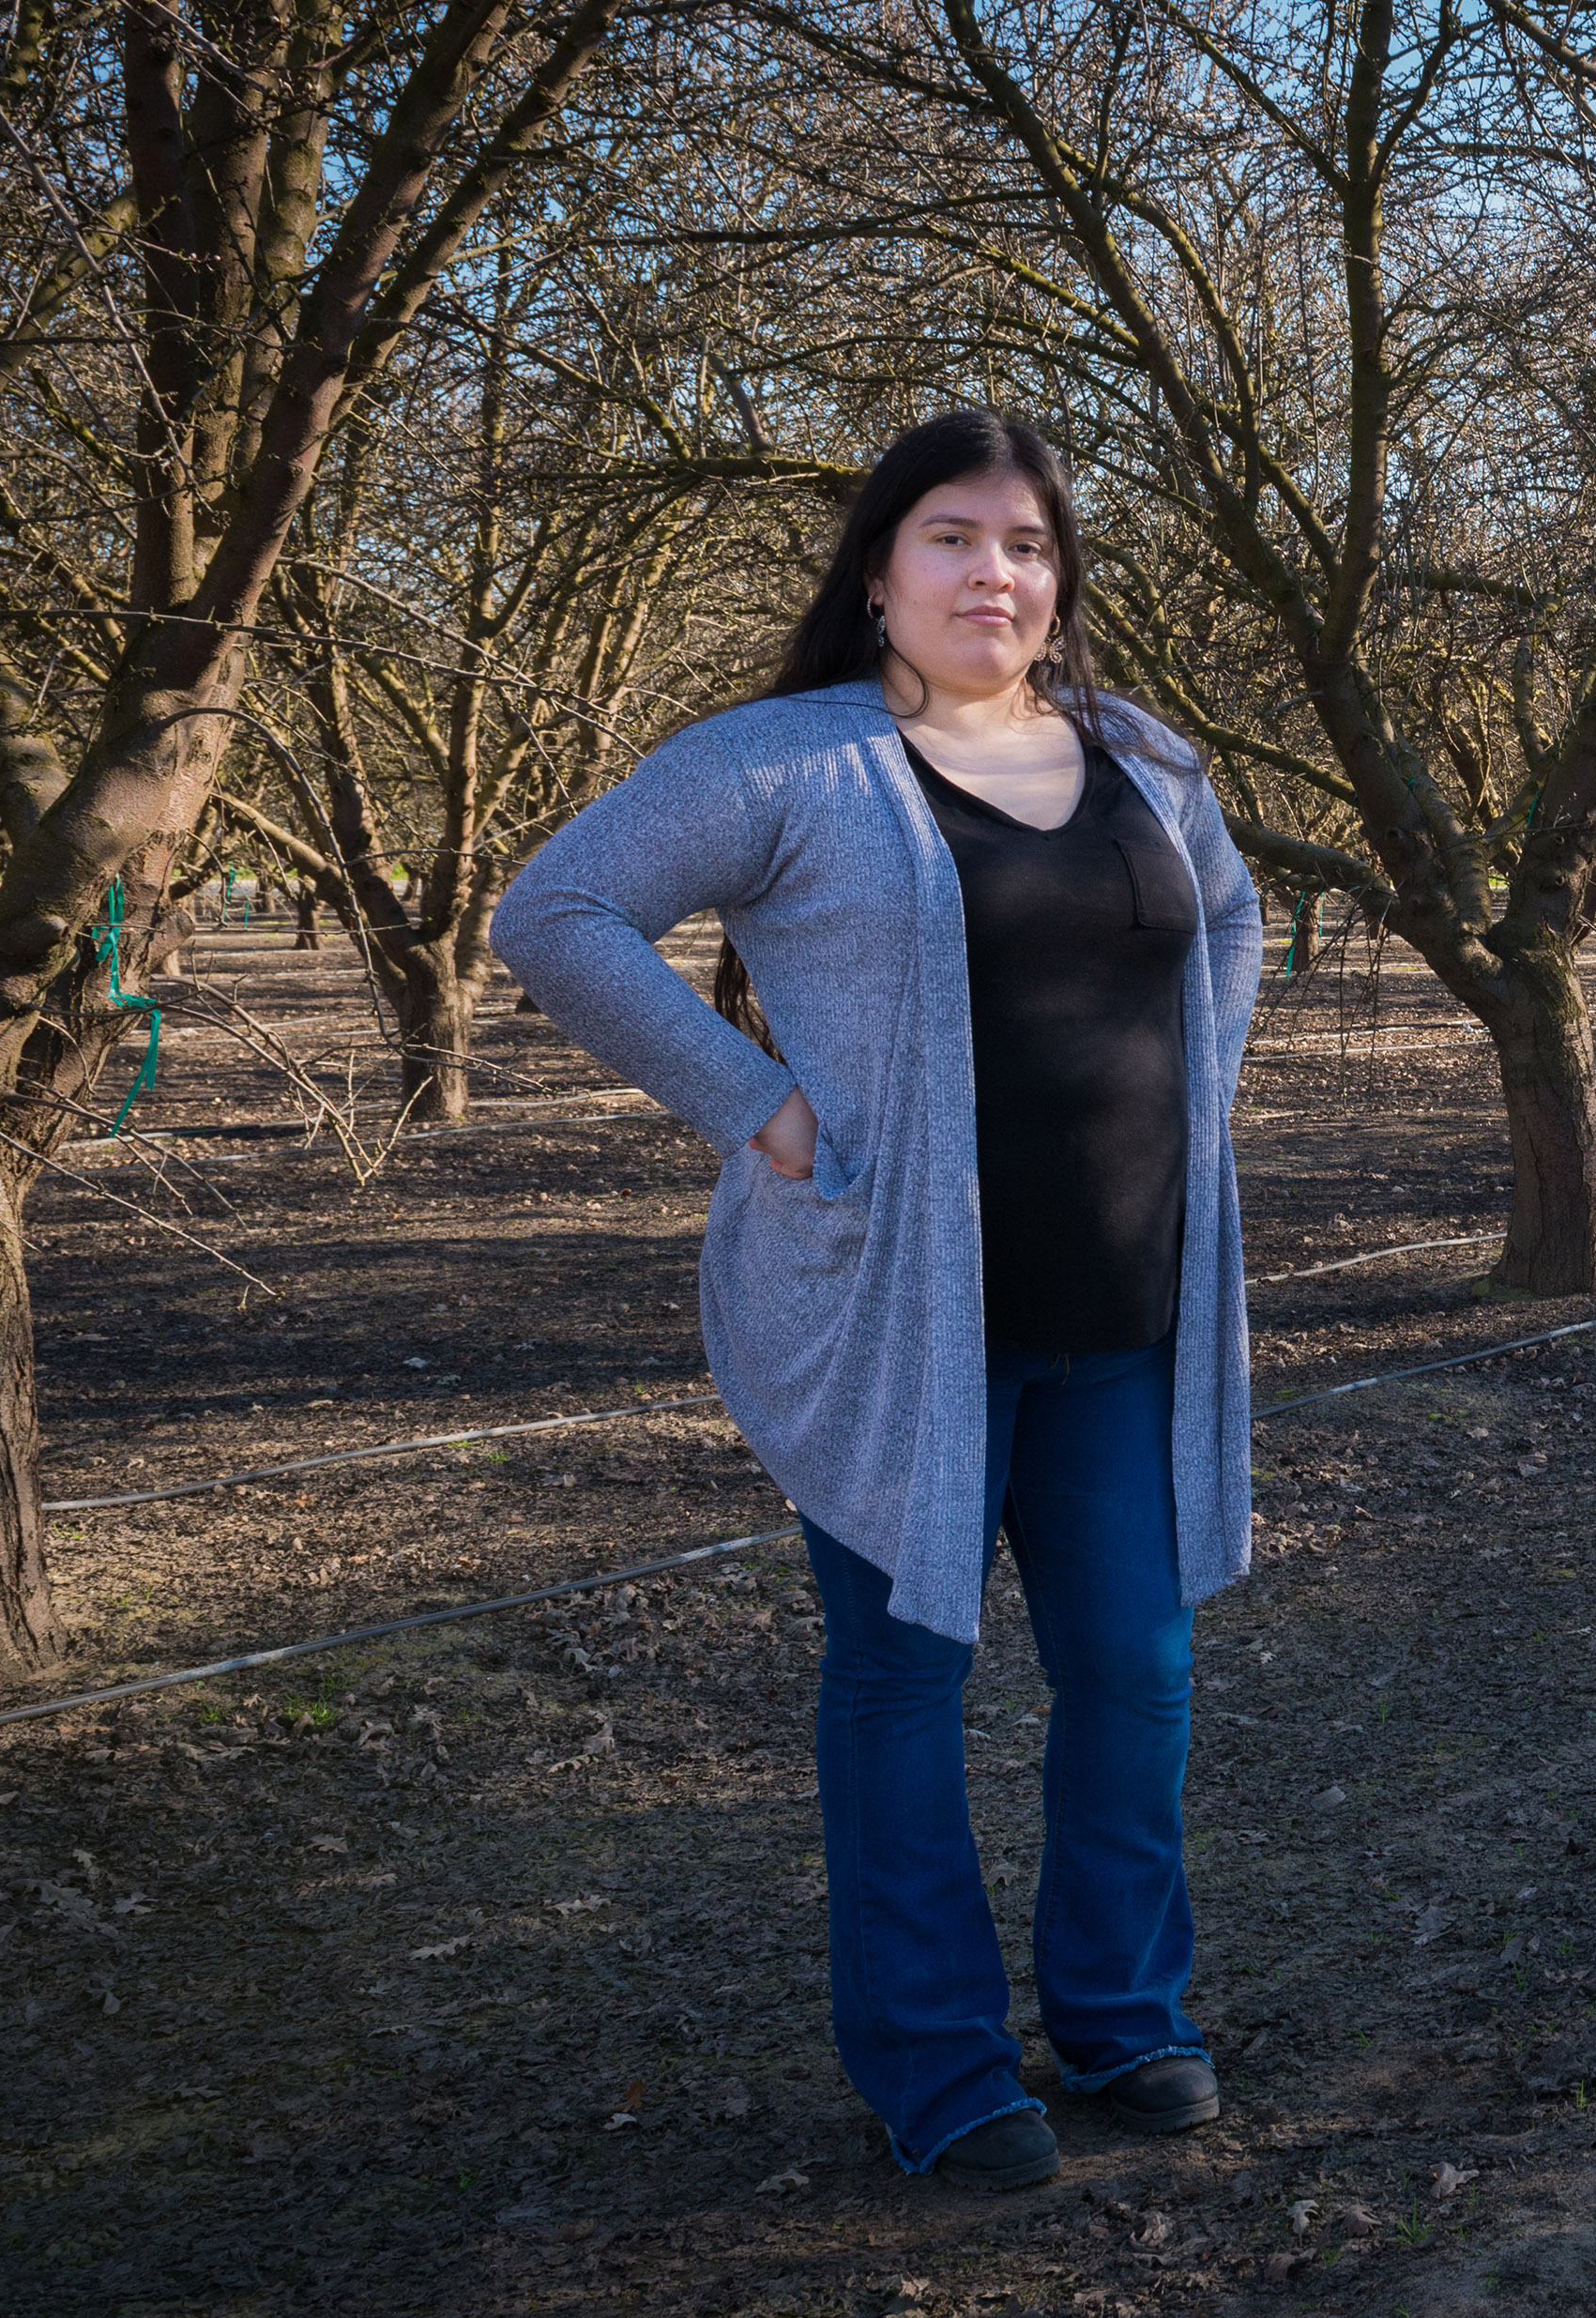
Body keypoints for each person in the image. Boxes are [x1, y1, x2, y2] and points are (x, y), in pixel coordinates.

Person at [494, 408, 1265, 2191]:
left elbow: (1226, 924)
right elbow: (559, 909)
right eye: (952, 538)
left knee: (1137, 1673)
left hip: (1128, 1312)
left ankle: (1125, 2017)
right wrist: (759, 1109)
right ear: (878, 571)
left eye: (1027, 544)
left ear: (1058, 583)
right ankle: (940, 2067)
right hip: (897, 1317)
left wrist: (1193, 1095)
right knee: (907, 1679)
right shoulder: (793, 764)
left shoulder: (1144, 754)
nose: (995, 572)